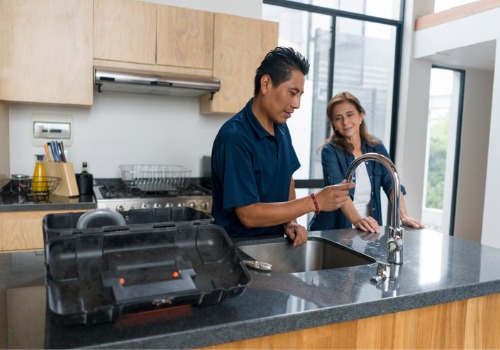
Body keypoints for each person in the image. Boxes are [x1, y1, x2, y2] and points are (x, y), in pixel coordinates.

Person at [211, 47, 355, 246]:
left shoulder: (281, 129)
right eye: (292, 93)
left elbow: (287, 178)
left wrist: (290, 222)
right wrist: (314, 202)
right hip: (238, 251)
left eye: (300, 95)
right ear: (266, 84)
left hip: (274, 245)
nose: (297, 104)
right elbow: (248, 215)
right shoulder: (234, 139)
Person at [309, 91, 423, 233]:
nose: (345, 122)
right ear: (334, 124)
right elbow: (340, 193)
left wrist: (404, 216)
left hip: (368, 229)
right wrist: (358, 221)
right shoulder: (329, 151)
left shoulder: (376, 147)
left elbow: (392, 183)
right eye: (338, 118)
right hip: (334, 230)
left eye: (350, 115)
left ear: (361, 115)